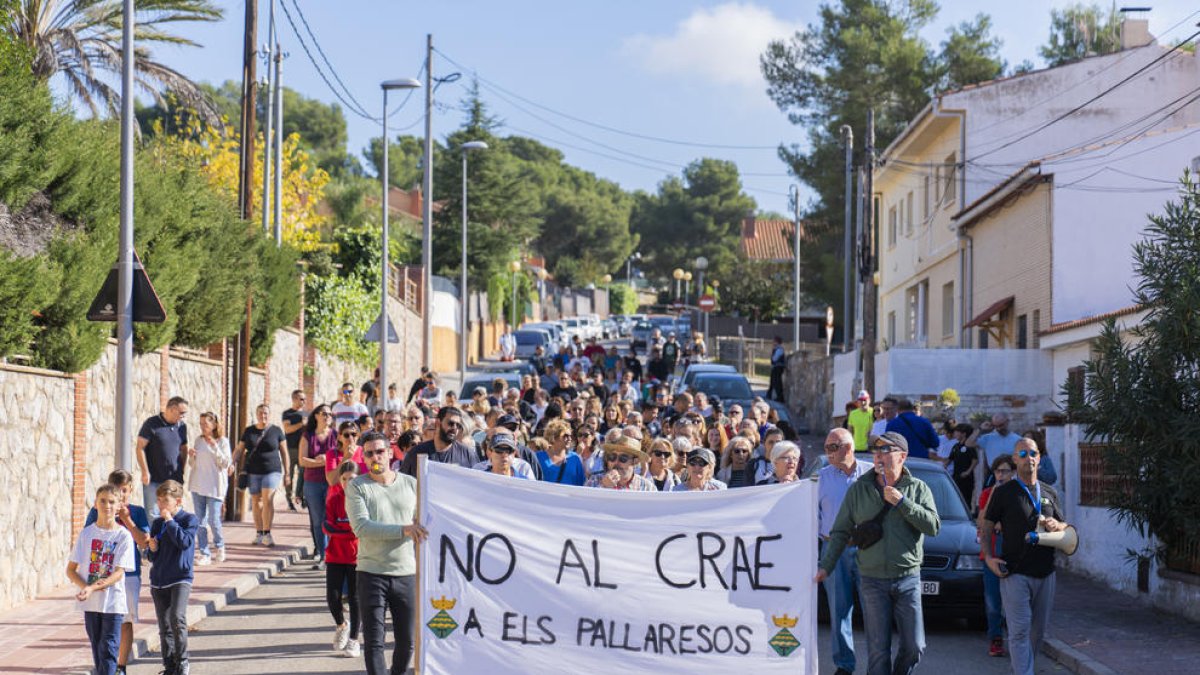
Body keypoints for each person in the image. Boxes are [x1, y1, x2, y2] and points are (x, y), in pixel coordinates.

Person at [815, 432, 940, 675]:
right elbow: (840, 531)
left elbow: (933, 527)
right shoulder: (859, 489)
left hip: (907, 578)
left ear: (902, 456)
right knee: (878, 650)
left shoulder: (918, 488)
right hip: (872, 579)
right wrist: (826, 566)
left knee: (915, 646)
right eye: (876, 451)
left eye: (886, 450)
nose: (879, 456)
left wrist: (903, 503)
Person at [345, 432, 429, 675]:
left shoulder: (411, 484)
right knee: (374, 642)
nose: (375, 457)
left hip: (406, 572)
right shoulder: (357, 487)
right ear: (363, 457)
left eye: (380, 451)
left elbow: (426, 522)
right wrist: (404, 530)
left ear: (391, 453)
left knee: (407, 642)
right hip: (371, 573)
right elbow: (362, 527)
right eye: (369, 453)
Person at [982, 439, 1068, 675]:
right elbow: (986, 526)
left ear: (1039, 458)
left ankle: (1021, 668)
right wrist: (989, 557)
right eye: (1022, 453)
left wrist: (1058, 525)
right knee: (1019, 630)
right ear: (1015, 459)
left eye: (1033, 453)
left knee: (1037, 632)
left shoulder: (1049, 492)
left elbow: (1064, 526)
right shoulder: (1004, 492)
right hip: (1015, 572)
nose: (1028, 457)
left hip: (1046, 572)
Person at [816, 429, 874, 675]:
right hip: (833, 548)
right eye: (826, 447)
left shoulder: (872, 474)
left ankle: (878, 663)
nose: (827, 453)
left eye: (832, 447)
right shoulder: (820, 478)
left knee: (875, 610)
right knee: (838, 609)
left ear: (848, 448)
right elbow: (813, 515)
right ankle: (844, 665)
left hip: (868, 548)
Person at [85, 471, 150, 675]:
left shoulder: (137, 512)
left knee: (125, 621)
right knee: (101, 623)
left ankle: (120, 667)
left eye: (124, 490)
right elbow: (87, 538)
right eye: (117, 490)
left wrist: (127, 520)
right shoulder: (97, 511)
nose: (120, 495)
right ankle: (104, 666)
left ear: (130, 490)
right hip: (102, 574)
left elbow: (144, 542)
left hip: (129, 575)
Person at [70, 484, 136, 675]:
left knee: (108, 649)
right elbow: (71, 570)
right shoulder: (86, 534)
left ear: (119, 506)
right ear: (95, 504)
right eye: (103, 501)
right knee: (98, 651)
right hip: (91, 604)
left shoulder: (123, 536)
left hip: (113, 603)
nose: (107, 505)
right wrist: (86, 588)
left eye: (112, 502)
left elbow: (119, 572)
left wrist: (93, 587)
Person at [147, 480, 198, 675]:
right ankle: (169, 666)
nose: (160, 504)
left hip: (180, 577)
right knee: (164, 625)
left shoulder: (189, 520)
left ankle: (183, 661)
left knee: (177, 618)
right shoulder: (157, 523)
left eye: (165, 501)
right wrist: (152, 549)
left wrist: (169, 521)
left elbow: (184, 542)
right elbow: (152, 557)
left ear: (177, 501)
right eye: (159, 500)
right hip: (159, 580)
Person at [232, 404, 289, 547]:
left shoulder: (276, 431)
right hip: (253, 471)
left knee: (267, 499)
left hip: (272, 470)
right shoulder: (249, 431)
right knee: (256, 502)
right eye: (260, 413)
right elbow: (239, 449)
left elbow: (284, 452)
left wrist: (287, 472)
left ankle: (267, 533)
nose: (263, 416)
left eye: (265, 413)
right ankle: (259, 533)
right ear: (256, 414)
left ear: (269, 415)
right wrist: (232, 462)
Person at [978, 454, 1016, 658]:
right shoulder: (987, 493)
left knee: (1014, 600)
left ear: (1013, 473)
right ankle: (995, 638)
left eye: (1005, 471)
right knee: (993, 601)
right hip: (991, 553)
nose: (1000, 475)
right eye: (997, 471)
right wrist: (994, 492)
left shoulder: (1018, 494)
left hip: (1013, 553)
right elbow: (981, 521)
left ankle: (1017, 639)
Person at [324, 460, 362, 658]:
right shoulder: (334, 499)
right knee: (332, 597)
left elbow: (362, 528)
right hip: (335, 555)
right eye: (344, 479)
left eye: (352, 479)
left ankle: (354, 640)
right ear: (339, 480)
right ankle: (341, 625)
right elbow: (327, 527)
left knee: (355, 598)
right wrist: (349, 531)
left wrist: (342, 530)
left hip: (357, 557)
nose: (348, 483)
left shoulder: (364, 499)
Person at [188, 412, 231, 566]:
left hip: (215, 487)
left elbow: (225, 463)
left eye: (205, 424)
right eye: (201, 424)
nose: (202, 427)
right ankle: (204, 553)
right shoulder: (198, 441)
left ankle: (220, 546)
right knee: (200, 522)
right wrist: (192, 456)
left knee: (213, 519)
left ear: (214, 425)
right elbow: (192, 464)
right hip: (198, 485)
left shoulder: (223, 442)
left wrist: (215, 447)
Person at [135, 396, 189, 518]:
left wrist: (182, 469)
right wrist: (145, 472)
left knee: (175, 514)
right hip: (154, 479)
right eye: (181, 413)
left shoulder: (182, 427)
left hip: (174, 481)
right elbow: (140, 448)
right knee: (153, 515)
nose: (183, 416)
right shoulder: (151, 424)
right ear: (172, 409)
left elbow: (184, 449)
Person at [297, 405, 337, 568]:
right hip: (312, 483)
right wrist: (323, 462)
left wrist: (325, 461)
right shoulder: (308, 436)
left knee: (331, 519)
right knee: (317, 520)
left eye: (330, 414)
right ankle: (323, 555)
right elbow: (302, 461)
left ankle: (333, 554)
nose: (327, 416)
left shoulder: (336, 435)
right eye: (324, 413)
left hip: (332, 481)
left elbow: (342, 458)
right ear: (316, 416)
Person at [398, 406, 481, 476]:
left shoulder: (467, 455)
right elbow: (404, 483)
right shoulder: (416, 453)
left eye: (458, 425)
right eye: (451, 423)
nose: (454, 428)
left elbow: (477, 483)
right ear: (438, 423)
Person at [584, 435, 657, 491]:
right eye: (612, 457)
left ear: (635, 461)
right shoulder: (594, 480)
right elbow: (585, 504)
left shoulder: (647, 487)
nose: (616, 462)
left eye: (623, 458)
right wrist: (603, 487)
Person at [281, 390, 308, 512]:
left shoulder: (306, 414)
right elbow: (287, 429)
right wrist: (301, 424)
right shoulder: (287, 414)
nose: (304, 401)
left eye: (304, 399)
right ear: (294, 399)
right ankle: (289, 501)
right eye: (301, 399)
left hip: (304, 449)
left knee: (304, 474)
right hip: (291, 449)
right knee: (289, 474)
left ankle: (301, 497)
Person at [948, 423, 979, 505]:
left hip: (966, 479)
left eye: (957, 432)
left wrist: (968, 472)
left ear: (964, 434)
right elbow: (949, 459)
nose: (955, 434)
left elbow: (975, 460)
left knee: (965, 500)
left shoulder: (969, 446)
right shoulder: (956, 446)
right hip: (956, 477)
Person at [767, 335, 786, 402]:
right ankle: (769, 395)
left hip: (778, 367)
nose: (773, 342)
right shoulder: (777, 349)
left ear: (777, 342)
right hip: (775, 367)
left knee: (777, 382)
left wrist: (772, 358)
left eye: (774, 341)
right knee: (773, 381)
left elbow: (774, 359)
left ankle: (780, 397)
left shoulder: (779, 349)